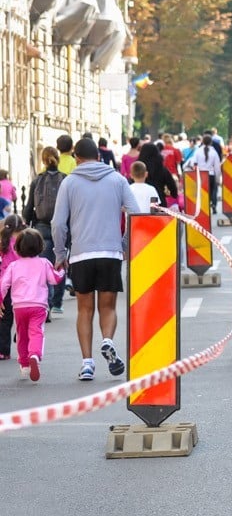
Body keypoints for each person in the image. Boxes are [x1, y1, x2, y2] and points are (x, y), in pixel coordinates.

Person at [52, 138, 141, 381]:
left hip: (81, 254)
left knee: (84, 309)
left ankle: (87, 364)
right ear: (98, 156)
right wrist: (123, 244)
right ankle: (108, 340)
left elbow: (58, 224)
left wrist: (61, 254)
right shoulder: (117, 180)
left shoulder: (69, 182)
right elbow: (136, 214)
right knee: (108, 307)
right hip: (110, 253)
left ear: (77, 158)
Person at [0, 227, 64, 381]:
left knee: (22, 334)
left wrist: (1, 299)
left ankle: (24, 364)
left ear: (17, 248)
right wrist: (61, 270)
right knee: (36, 331)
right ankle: (34, 354)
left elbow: (3, 284)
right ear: (40, 246)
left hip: (19, 306)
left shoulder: (13, 266)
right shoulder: (44, 263)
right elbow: (54, 279)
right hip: (38, 305)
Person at [22, 146, 67, 313]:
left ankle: (46, 302)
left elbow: (28, 208)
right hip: (62, 227)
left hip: (42, 227)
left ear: (43, 160)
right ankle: (57, 303)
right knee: (60, 263)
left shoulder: (37, 180)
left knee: (44, 266)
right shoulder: (65, 179)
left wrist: (25, 225)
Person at [0, 214, 27, 360]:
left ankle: (3, 350)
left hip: (6, 284)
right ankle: (22, 336)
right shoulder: (24, 242)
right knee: (23, 314)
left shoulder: (3, 242)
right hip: (23, 284)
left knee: (5, 318)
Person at [185, 135, 222, 213]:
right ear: (211, 142)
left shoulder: (198, 151)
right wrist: (218, 178)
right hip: (211, 175)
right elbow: (217, 167)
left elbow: (193, 163)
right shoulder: (214, 152)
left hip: (200, 175)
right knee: (213, 191)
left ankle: (204, 206)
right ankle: (214, 205)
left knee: (202, 192)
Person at [137, 142, 178, 209]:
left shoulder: (139, 169)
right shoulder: (162, 169)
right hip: (160, 201)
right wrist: (174, 194)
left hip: (141, 202)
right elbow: (171, 185)